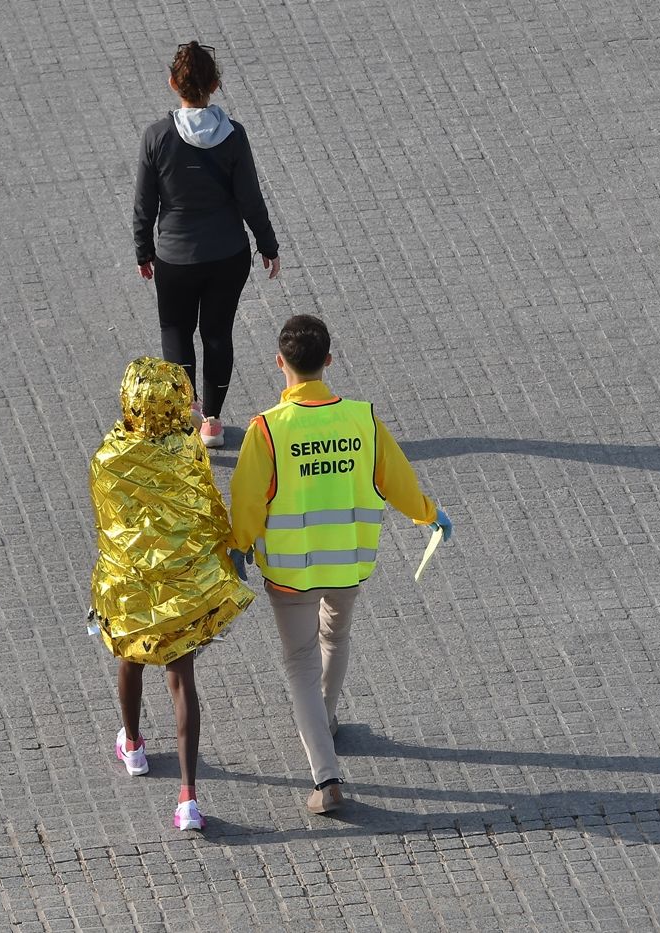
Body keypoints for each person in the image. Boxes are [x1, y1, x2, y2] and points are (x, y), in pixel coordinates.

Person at [228, 315, 453, 815]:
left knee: (300, 664)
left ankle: (325, 776)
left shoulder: (267, 429)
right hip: (349, 563)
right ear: (328, 361)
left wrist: (239, 545)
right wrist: (430, 514)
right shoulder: (362, 420)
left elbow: (247, 503)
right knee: (336, 638)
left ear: (279, 363)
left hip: (289, 571)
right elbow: (397, 481)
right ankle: (326, 719)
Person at [89, 357, 254, 831]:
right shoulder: (187, 451)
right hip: (182, 583)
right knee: (182, 679)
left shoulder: (108, 457)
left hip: (131, 580)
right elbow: (206, 503)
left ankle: (135, 746)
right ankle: (188, 797)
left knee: (130, 658)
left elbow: (107, 523)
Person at [133, 41, 282, 450]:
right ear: (215, 85)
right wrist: (268, 245)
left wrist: (143, 250)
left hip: (175, 258)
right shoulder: (234, 136)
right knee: (218, 334)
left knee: (175, 330)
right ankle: (212, 423)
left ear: (172, 83)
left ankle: (186, 411)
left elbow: (146, 202)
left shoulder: (157, 136)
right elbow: (251, 198)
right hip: (226, 256)